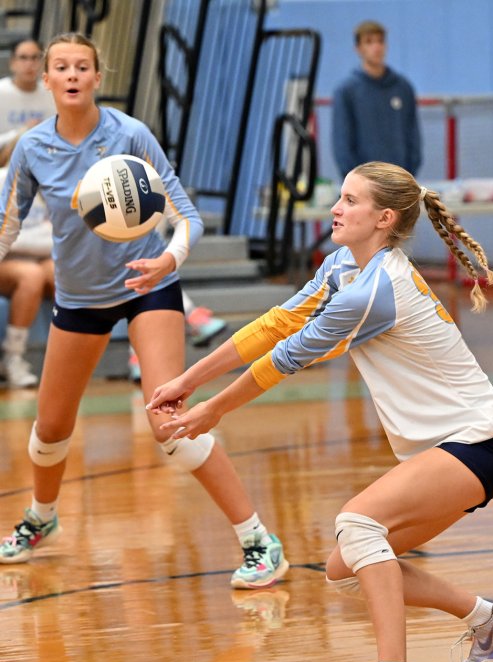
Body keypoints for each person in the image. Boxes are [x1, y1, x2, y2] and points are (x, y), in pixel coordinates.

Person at [147, 161, 493, 662]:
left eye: (349, 200)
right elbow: (274, 325)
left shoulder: (376, 290)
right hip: (453, 448)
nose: (335, 208)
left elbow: (288, 357)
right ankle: (488, 621)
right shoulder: (342, 268)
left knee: (358, 524)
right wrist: (187, 379)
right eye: (339, 197)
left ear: (383, 218)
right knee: (347, 569)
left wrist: (209, 411)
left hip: (478, 442)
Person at [0, 32, 289, 592]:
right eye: (61, 67)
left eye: (82, 65)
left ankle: (259, 540)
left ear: (97, 76)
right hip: (81, 298)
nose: (72, 75)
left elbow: (189, 217)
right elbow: (8, 227)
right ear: (50, 80)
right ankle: (42, 516)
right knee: (50, 428)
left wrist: (167, 259)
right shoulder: (32, 148)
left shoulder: (130, 134)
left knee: (169, 423)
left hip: (147, 287)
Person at [332, 20, 422, 180]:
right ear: (358, 49)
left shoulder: (403, 87)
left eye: (380, 41)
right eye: (369, 42)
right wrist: (358, 182)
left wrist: (406, 176)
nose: (376, 47)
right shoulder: (346, 91)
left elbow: (413, 134)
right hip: (363, 186)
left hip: (398, 183)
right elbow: (342, 144)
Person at [0, 168, 54, 388]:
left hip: (38, 257)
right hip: (5, 260)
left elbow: (62, 237)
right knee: (31, 276)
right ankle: (12, 357)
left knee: (64, 275)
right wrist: (40, 237)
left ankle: (65, 362)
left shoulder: (51, 183)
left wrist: (25, 240)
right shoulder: (4, 180)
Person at [0, 37, 56, 167]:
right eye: (23, 58)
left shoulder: (52, 92)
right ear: (12, 62)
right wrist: (23, 131)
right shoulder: (2, 92)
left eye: (35, 58)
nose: (29, 64)